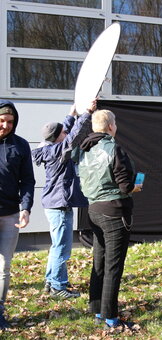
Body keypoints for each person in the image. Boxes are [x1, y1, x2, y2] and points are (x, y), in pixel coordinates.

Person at [76, 109, 142, 329]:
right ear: (111, 126)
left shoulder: (85, 150)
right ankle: (111, 319)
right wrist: (136, 186)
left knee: (100, 262)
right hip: (115, 212)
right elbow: (124, 185)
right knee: (113, 266)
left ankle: (97, 310)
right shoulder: (114, 148)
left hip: (93, 210)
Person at [32, 101, 96, 299]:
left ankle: (51, 281)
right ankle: (58, 287)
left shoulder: (50, 146)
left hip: (55, 204)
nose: (65, 133)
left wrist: (71, 114)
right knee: (62, 247)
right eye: (62, 132)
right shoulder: (58, 151)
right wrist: (87, 113)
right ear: (57, 138)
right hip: (59, 206)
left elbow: (65, 132)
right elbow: (73, 137)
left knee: (56, 245)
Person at [0, 100, 35, 329]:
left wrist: (26, 208)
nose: (6, 125)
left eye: (10, 122)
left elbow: (28, 181)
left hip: (11, 215)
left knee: (4, 266)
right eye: (2, 121)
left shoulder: (20, 145)